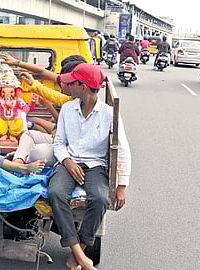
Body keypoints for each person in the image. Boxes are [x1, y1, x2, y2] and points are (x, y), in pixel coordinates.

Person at [49, 63, 131, 270]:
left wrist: (121, 186)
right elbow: (59, 143)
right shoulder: (68, 109)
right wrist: (68, 162)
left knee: (101, 198)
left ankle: (78, 252)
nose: (69, 86)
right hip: (69, 160)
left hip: (95, 165)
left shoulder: (108, 114)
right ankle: (81, 257)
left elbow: (122, 149)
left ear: (83, 86)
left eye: (72, 83)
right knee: (56, 192)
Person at [0, 54, 87, 166]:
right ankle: (18, 162)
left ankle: (21, 158)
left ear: (76, 83)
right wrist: (18, 64)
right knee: (28, 134)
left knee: (36, 151)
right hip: (57, 140)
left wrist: (47, 104)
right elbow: (43, 74)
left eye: (65, 81)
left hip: (66, 150)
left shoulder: (81, 104)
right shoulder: (70, 99)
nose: (61, 84)